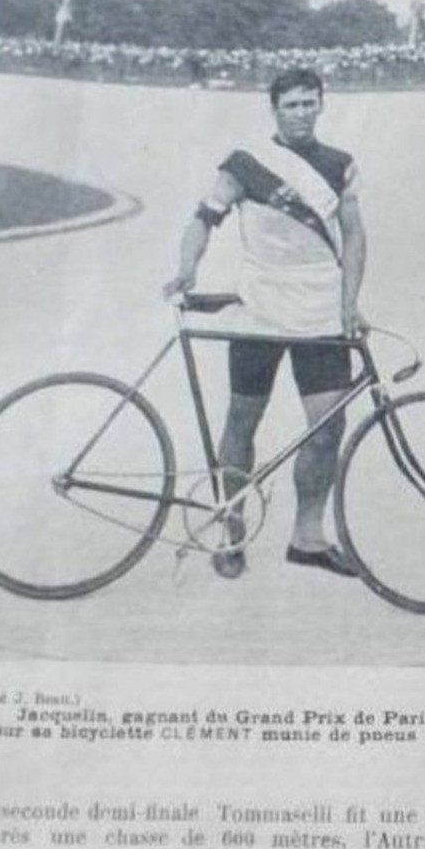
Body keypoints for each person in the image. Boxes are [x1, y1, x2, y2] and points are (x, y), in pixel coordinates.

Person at [163, 67, 366, 579]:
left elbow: (355, 236)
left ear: (321, 105)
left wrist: (349, 302)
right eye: (291, 104)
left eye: (309, 103)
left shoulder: (340, 165)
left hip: (320, 308)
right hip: (260, 308)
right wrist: (187, 267)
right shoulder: (245, 164)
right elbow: (202, 220)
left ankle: (308, 537)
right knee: (241, 421)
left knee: (326, 429)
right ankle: (230, 530)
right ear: (273, 108)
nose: (301, 112)